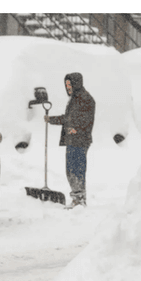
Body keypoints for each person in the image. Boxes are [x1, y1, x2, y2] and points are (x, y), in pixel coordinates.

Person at [46, 72, 96, 208]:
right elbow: (69, 118)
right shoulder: (75, 98)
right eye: (66, 84)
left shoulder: (85, 98)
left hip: (80, 140)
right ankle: (77, 197)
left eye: (70, 84)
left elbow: (87, 119)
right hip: (72, 140)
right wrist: (52, 120)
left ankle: (79, 198)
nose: (68, 87)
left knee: (76, 169)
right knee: (70, 169)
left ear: (77, 83)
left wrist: (77, 129)